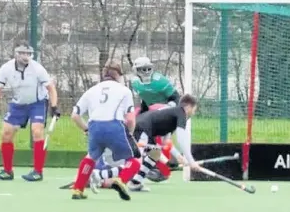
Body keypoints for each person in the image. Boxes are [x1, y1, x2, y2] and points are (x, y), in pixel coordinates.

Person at [0, 40, 60, 182]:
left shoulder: (37, 68)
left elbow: (51, 89)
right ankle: (7, 171)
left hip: (38, 102)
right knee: (6, 133)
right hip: (18, 104)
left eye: (28, 53)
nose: (25, 56)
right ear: (16, 54)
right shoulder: (6, 68)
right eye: (22, 53)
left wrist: (54, 107)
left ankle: (37, 171)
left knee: (37, 131)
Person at [89, 94, 202, 192]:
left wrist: (178, 156)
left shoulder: (172, 117)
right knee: (136, 163)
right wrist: (191, 161)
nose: (193, 112)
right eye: (194, 109)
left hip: (143, 130)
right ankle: (98, 175)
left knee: (155, 153)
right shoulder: (181, 112)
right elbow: (182, 138)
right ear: (188, 107)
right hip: (141, 130)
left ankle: (136, 182)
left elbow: (165, 141)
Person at [70, 59, 141, 201]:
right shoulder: (124, 91)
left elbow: (75, 115)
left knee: (91, 157)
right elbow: (130, 118)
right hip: (115, 125)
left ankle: (78, 189)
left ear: (103, 74)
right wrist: (130, 135)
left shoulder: (91, 91)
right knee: (136, 159)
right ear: (119, 75)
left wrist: (86, 129)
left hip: (94, 126)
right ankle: (121, 180)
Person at [130, 56, 181, 181]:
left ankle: (172, 162)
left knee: (162, 141)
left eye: (148, 68)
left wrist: (167, 109)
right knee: (145, 140)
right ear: (136, 70)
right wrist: (142, 115)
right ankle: (158, 166)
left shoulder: (160, 80)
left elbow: (176, 97)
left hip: (166, 112)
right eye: (142, 69)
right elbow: (146, 100)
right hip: (151, 114)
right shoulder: (135, 83)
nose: (146, 72)